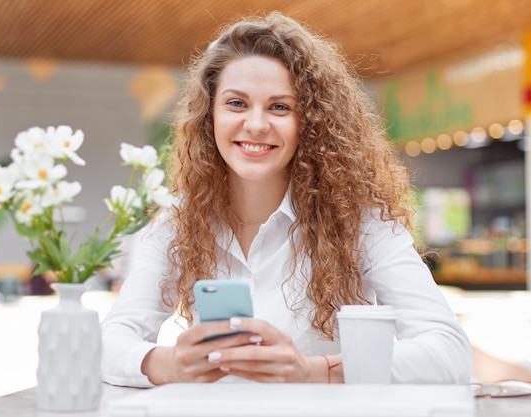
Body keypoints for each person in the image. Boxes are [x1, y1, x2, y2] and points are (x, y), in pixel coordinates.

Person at [101, 11, 472, 387]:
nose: (257, 124)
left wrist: (312, 371)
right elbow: (108, 343)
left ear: (309, 122)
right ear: (208, 115)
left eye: (280, 107)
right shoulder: (176, 220)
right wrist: (167, 364)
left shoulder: (360, 220)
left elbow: (448, 352)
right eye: (236, 103)